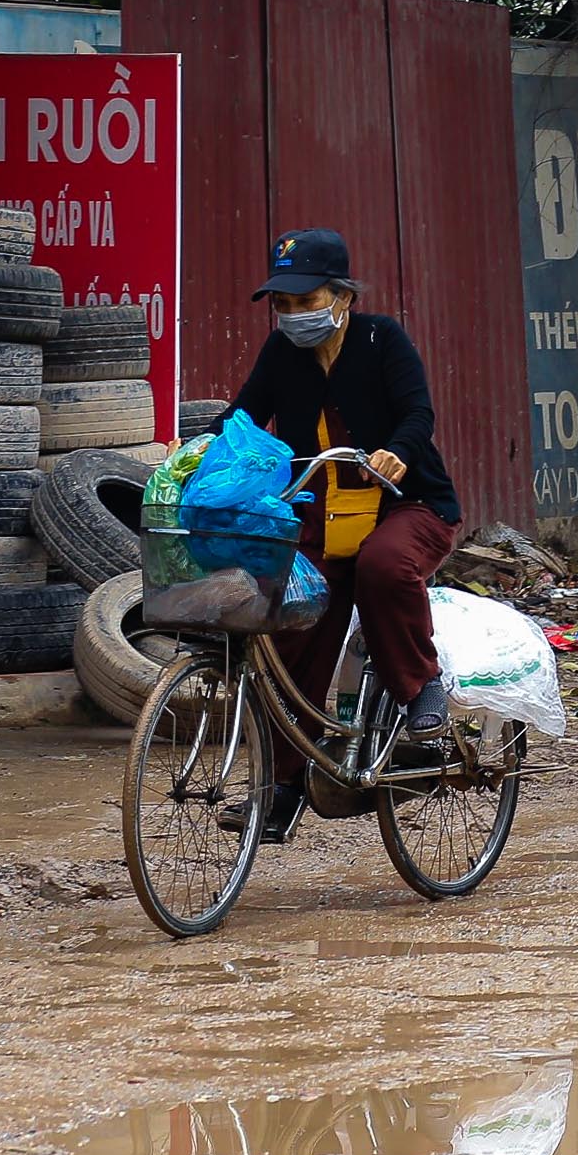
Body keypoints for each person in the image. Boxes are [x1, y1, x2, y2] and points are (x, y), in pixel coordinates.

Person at [220, 227, 463, 841]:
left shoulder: (384, 340)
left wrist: (398, 452)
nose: (295, 314)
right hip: (322, 514)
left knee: (382, 566)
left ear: (343, 297)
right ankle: (280, 785)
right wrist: (199, 452)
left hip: (408, 507)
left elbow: (418, 413)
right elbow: (244, 415)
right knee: (292, 616)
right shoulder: (282, 355)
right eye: (284, 304)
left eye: (307, 301)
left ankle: (421, 689)